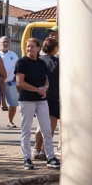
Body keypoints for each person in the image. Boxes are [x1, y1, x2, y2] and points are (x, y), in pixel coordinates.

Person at [15, 38, 60, 170]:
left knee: (47, 129)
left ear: (39, 48)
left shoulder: (41, 63)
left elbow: (46, 81)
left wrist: (44, 88)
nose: (30, 49)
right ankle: (27, 158)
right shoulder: (22, 62)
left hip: (41, 100)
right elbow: (20, 82)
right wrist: (37, 89)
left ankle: (50, 157)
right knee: (26, 130)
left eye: (32, 47)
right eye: (28, 47)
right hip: (27, 99)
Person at [34, 38, 60, 157]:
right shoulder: (57, 62)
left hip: (38, 94)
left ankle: (36, 149)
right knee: (51, 125)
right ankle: (45, 151)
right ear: (55, 48)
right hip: (53, 95)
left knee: (40, 124)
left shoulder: (38, 60)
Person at [0, 36, 19, 127]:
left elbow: (18, 67)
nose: (6, 44)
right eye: (4, 42)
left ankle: (10, 121)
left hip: (10, 82)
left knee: (13, 104)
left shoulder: (13, 55)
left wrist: (17, 77)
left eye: (7, 42)